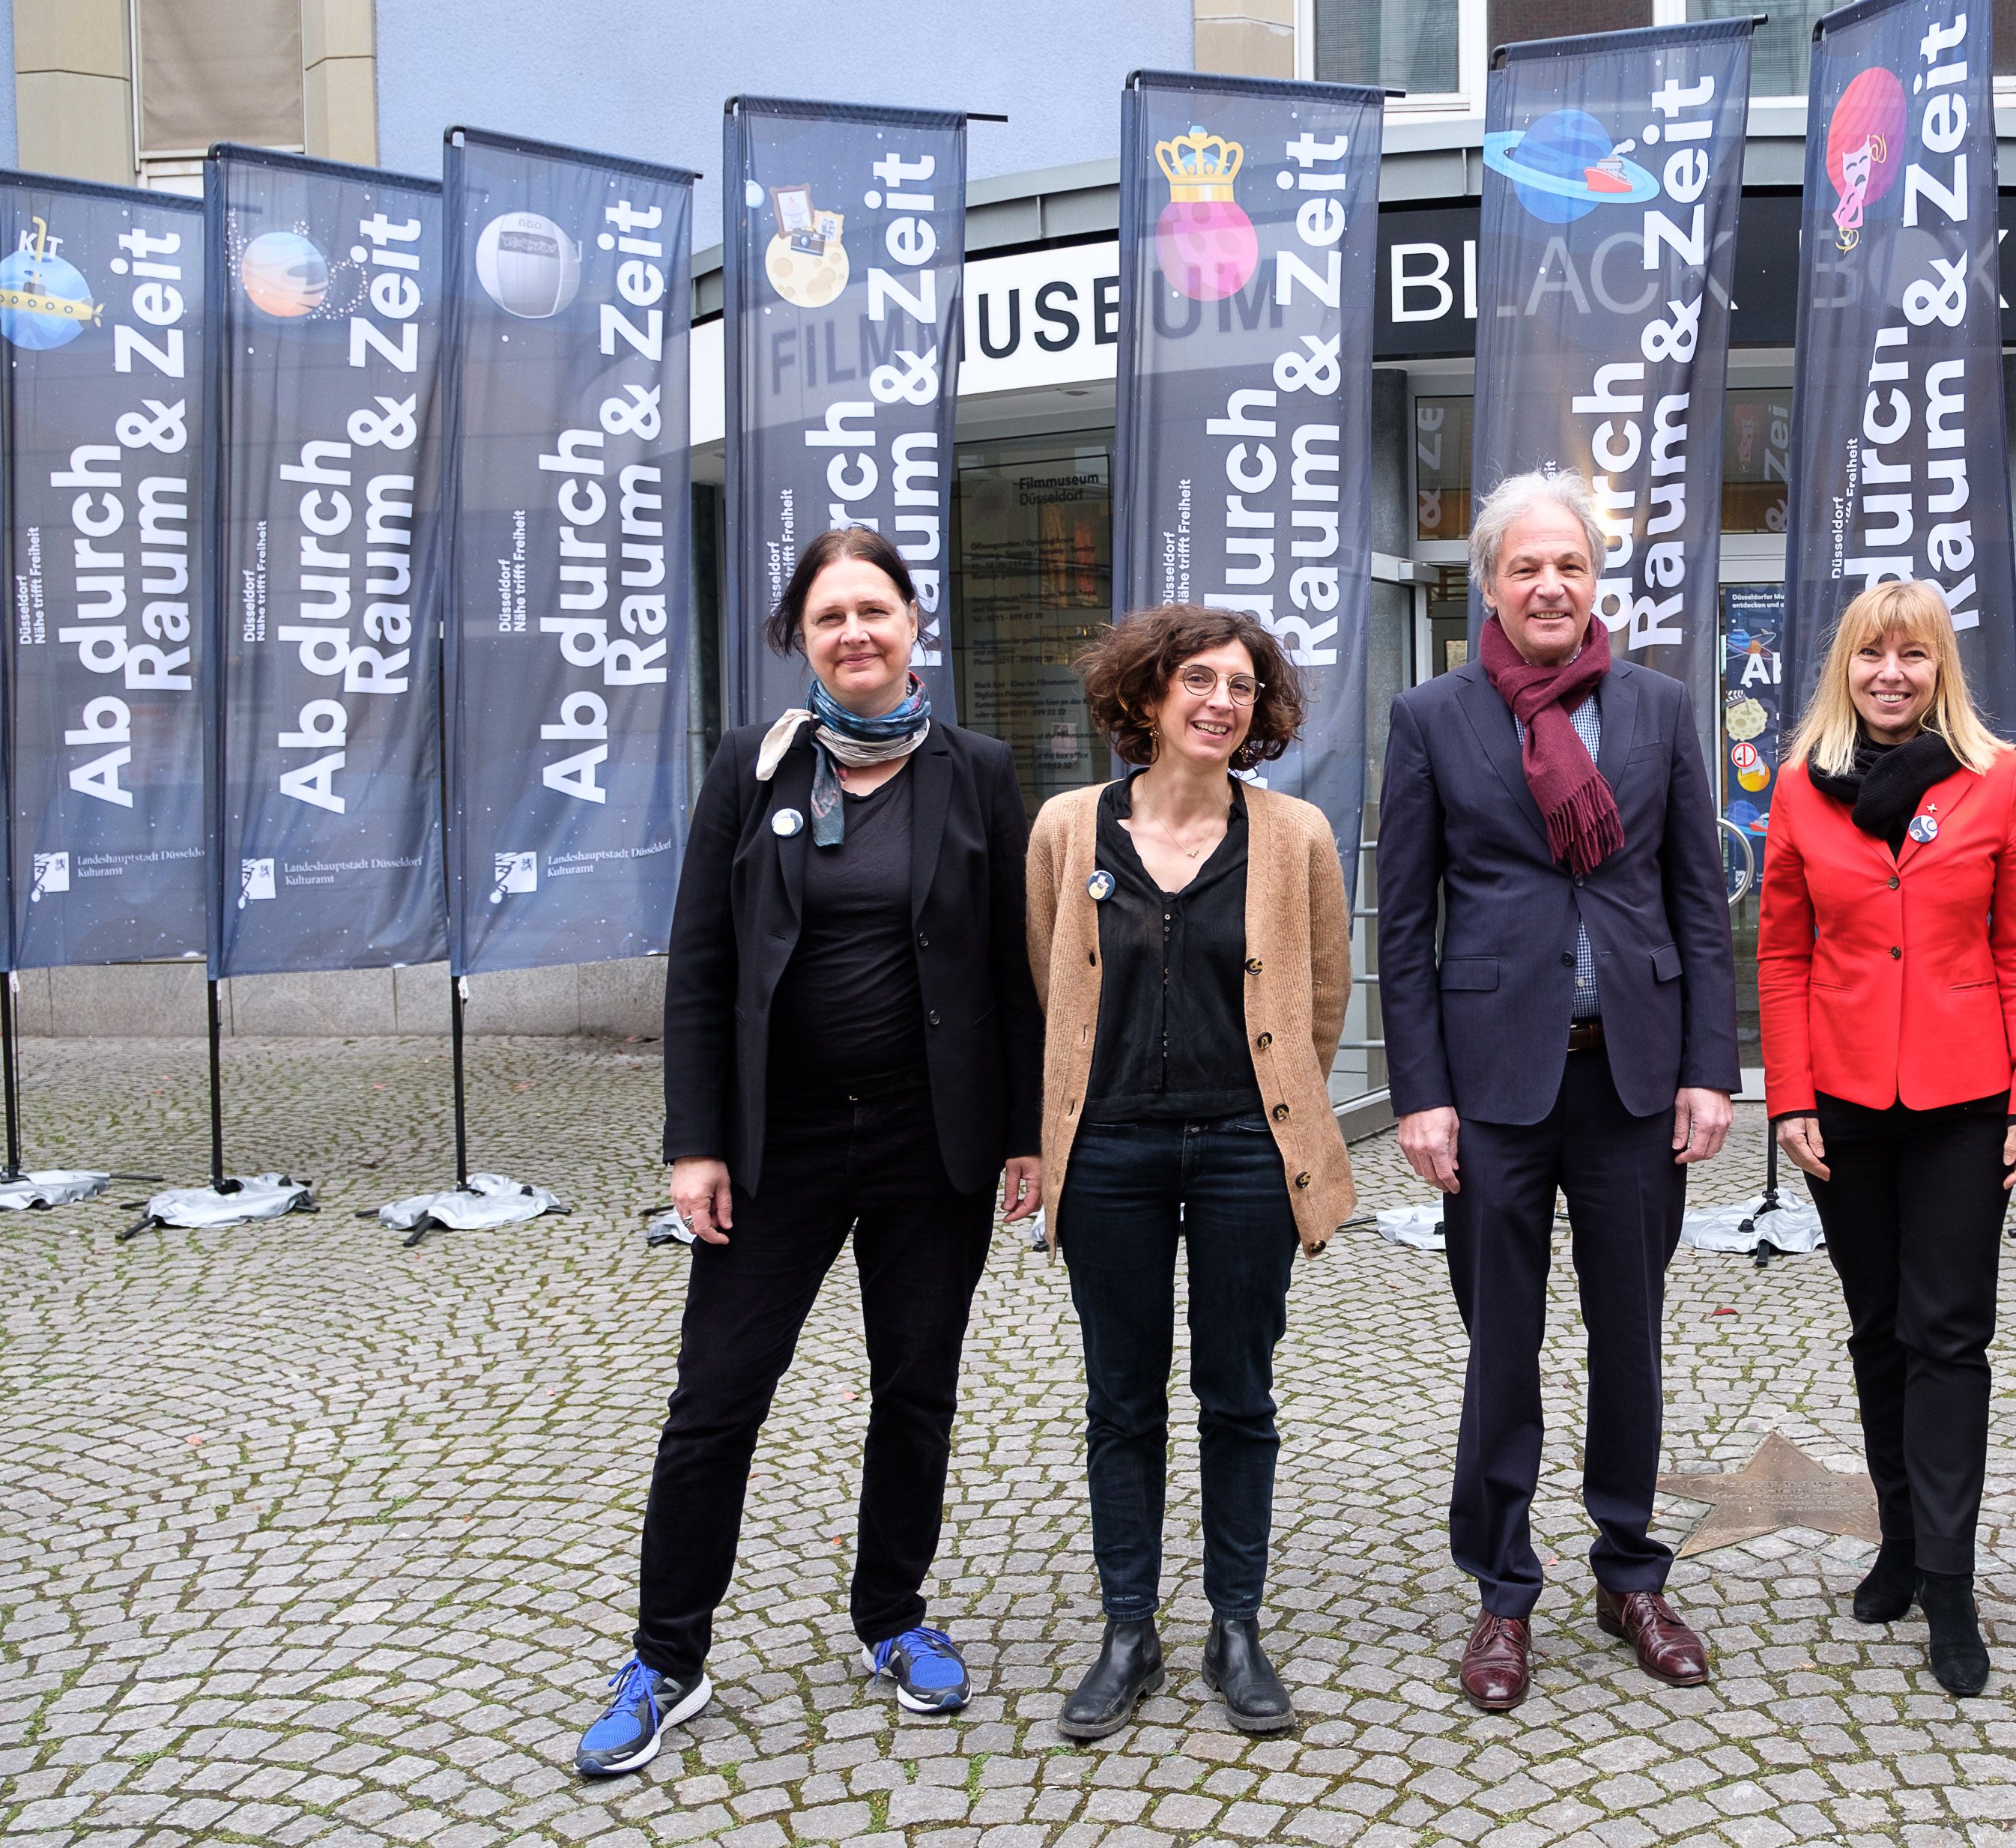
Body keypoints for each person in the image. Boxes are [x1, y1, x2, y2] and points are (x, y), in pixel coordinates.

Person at [576, 527, 1042, 1778]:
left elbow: (1011, 968)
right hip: (773, 1147)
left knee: (915, 1391)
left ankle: (892, 1616)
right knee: (715, 1400)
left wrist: (1025, 1138)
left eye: (876, 611)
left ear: (913, 626)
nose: (856, 634)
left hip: (925, 1144)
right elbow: (704, 967)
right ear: (801, 635)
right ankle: (666, 1654)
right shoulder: (755, 765)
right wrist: (694, 1145)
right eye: (831, 615)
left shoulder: (977, 771)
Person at [1376, 469, 1741, 1713]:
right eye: (1525, 567)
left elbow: (1697, 899)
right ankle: (1502, 1592)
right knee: (1503, 1348)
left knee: (1631, 1340)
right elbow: (1406, 920)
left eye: (1570, 566)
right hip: (1490, 1085)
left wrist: (1708, 1066)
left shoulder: (1658, 709)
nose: (1549, 586)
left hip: (1635, 1079)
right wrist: (1418, 1093)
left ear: (1598, 581)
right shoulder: (1433, 716)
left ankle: (1631, 1572)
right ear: (1490, 583)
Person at [1022, 605, 1355, 1742]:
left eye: (1245, 687)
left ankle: (1237, 1626)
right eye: (1200, 681)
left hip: (1245, 1153)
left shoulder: (1295, 833)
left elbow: (1318, 1001)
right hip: (1109, 1147)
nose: (1223, 702)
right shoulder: (1068, 829)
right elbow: (1049, 985)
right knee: (1121, 1397)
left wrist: (1279, 1114)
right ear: (1148, 695)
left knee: (1239, 1394)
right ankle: (1127, 1632)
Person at [1757, 578, 2016, 1697]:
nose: (1893, 673)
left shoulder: (1999, 781)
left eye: (1915, 656)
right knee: (1879, 1329)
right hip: (1843, 1104)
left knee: (1949, 1337)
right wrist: (1788, 1095)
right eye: (1874, 655)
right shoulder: (1798, 791)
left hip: (1964, 1100)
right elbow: (1781, 956)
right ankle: (1899, 1535)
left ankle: (1952, 1578)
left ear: (1942, 671)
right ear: (1848, 667)